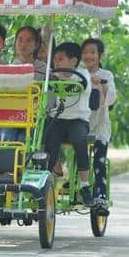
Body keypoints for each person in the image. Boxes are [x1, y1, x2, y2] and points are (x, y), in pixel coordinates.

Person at [44, 42, 94, 206]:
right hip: (58, 119)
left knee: (80, 141)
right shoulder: (52, 76)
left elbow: (81, 87)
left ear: (73, 61)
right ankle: (47, 179)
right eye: (55, 59)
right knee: (48, 140)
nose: (56, 62)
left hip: (77, 120)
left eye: (60, 59)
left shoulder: (83, 74)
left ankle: (84, 185)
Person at [81, 38, 116, 209]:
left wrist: (102, 86)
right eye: (86, 52)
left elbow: (111, 99)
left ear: (100, 55)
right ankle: (80, 183)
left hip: (100, 124)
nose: (89, 56)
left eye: (93, 52)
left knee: (99, 160)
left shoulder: (106, 75)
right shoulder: (78, 74)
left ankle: (101, 193)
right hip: (81, 123)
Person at [0, 26, 47, 143]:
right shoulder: (8, 68)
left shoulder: (43, 69)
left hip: (33, 115)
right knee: (7, 137)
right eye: (20, 40)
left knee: (24, 140)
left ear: (36, 45)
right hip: (11, 114)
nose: (23, 44)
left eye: (29, 40)